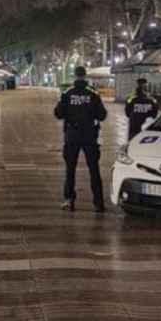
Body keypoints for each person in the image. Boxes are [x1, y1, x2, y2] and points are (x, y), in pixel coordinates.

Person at [53, 65, 108, 212]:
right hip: (90, 135)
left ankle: (69, 200)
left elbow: (58, 113)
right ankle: (98, 203)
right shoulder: (93, 94)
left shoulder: (67, 93)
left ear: (74, 76)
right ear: (85, 76)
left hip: (72, 135)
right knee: (94, 169)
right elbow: (102, 115)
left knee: (70, 169)